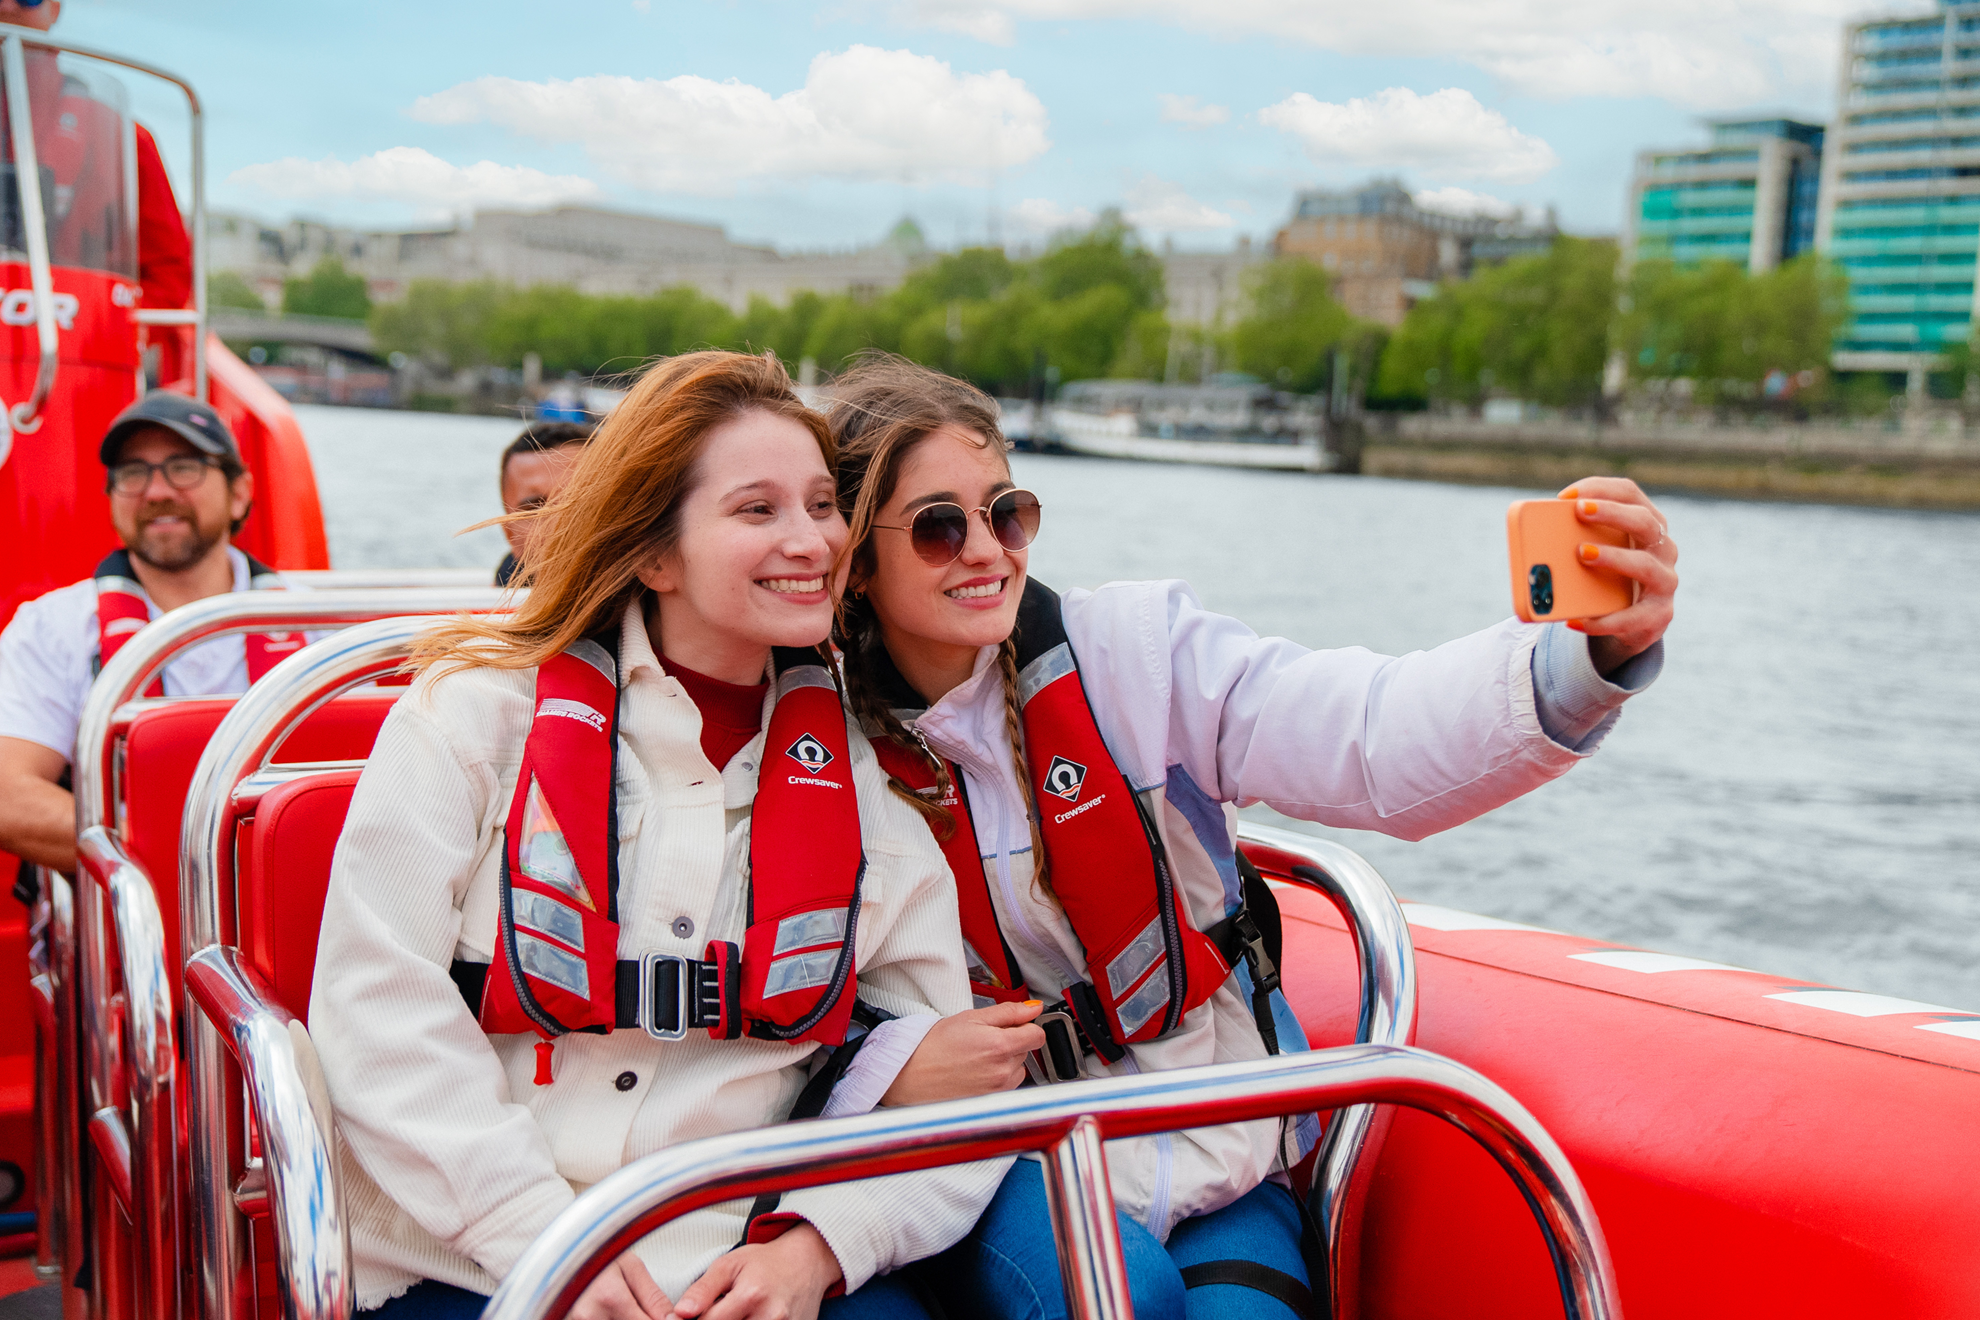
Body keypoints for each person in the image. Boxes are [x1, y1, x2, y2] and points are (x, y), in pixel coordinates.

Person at [826, 358, 1679, 1320]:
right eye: (940, 528)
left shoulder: (1138, 658)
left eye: (1007, 514)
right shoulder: (820, 754)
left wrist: (1581, 660)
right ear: (857, 558)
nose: (986, 551)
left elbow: (1368, 734)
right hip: (995, 1160)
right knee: (1122, 1299)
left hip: (1219, 1146)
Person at [309, 351, 1006, 1320]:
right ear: (655, 555)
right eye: (758, 510)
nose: (811, 539)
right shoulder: (473, 719)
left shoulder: (860, 788)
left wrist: (818, 1247)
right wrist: (542, 1240)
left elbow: (952, 1085)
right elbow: (374, 1011)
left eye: (822, 505)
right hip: (461, 1259)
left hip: (734, 1266)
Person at [0, 390, 293, 878]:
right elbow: (8, 795)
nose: (156, 492)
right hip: (132, 917)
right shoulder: (51, 628)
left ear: (240, 492)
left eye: (184, 467)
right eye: (133, 473)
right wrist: (193, 859)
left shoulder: (319, 628)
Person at [0, 0, 194, 373]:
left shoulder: (123, 140)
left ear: (54, 8)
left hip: (75, 367)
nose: (7, 5)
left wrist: (107, 332)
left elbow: (169, 275)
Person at [494, 420, 594, 587]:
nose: (558, 524)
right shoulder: (500, 591)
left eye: (578, 501)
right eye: (535, 509)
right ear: (510, 534)